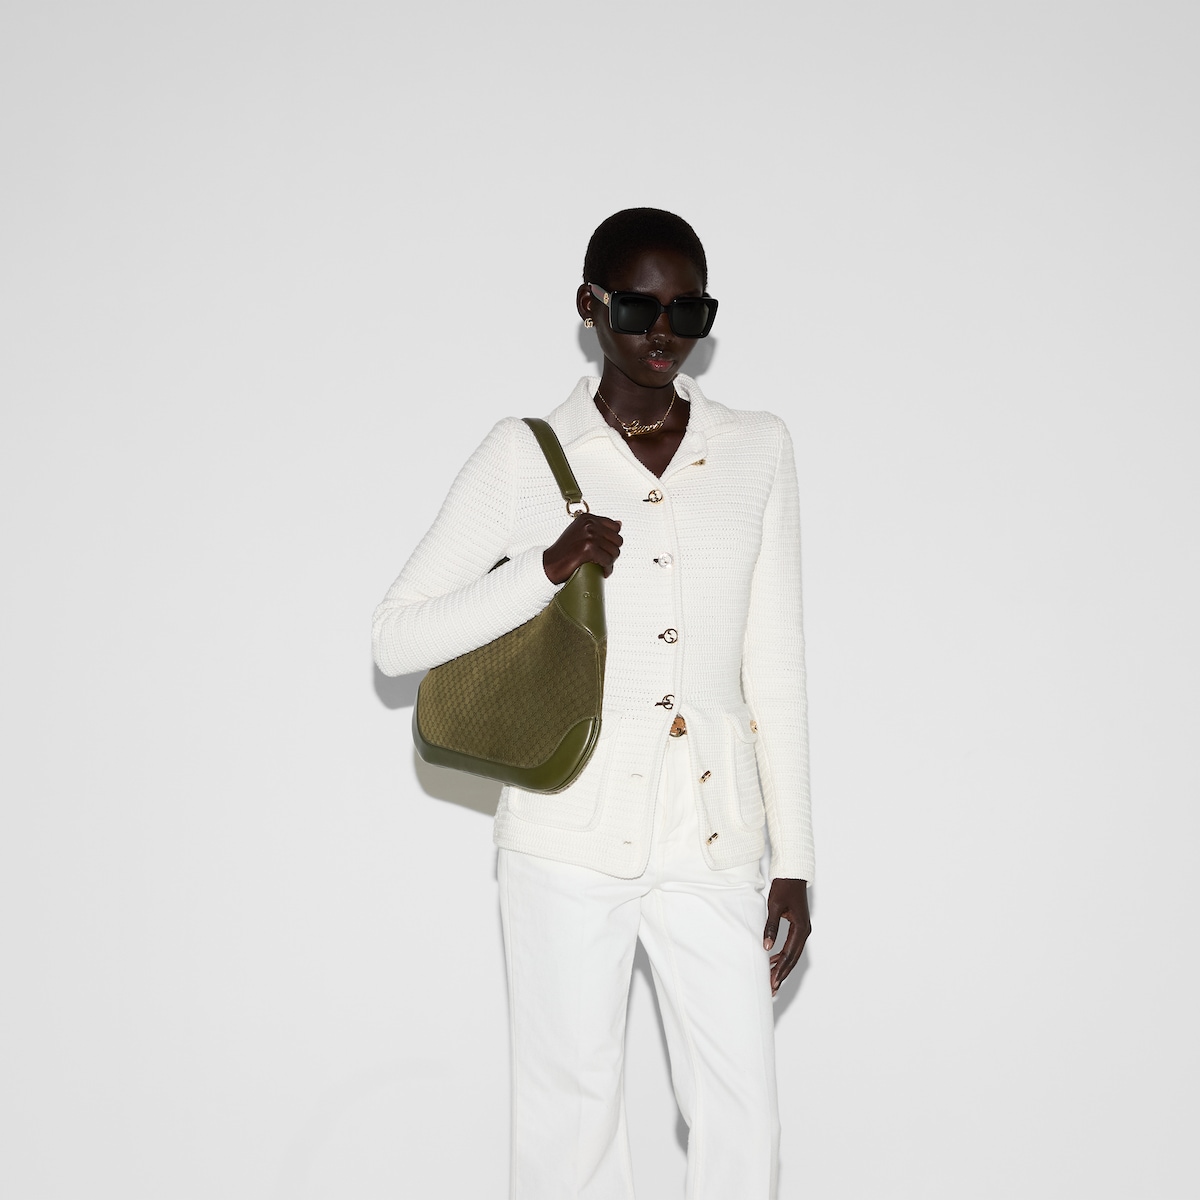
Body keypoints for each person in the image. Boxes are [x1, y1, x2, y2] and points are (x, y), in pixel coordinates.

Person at [373, 208, 814, 1200]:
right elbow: (395, 638)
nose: (663, 332)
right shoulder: (525, 455)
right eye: (637, 308)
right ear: (589, 305)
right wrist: (542, 569)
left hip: (715, 833)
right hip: (564, 835)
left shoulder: (758, 448)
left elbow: (775, 665)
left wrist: (794, 860)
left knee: (744, 1111)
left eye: (688, 311)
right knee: (571, 1116)